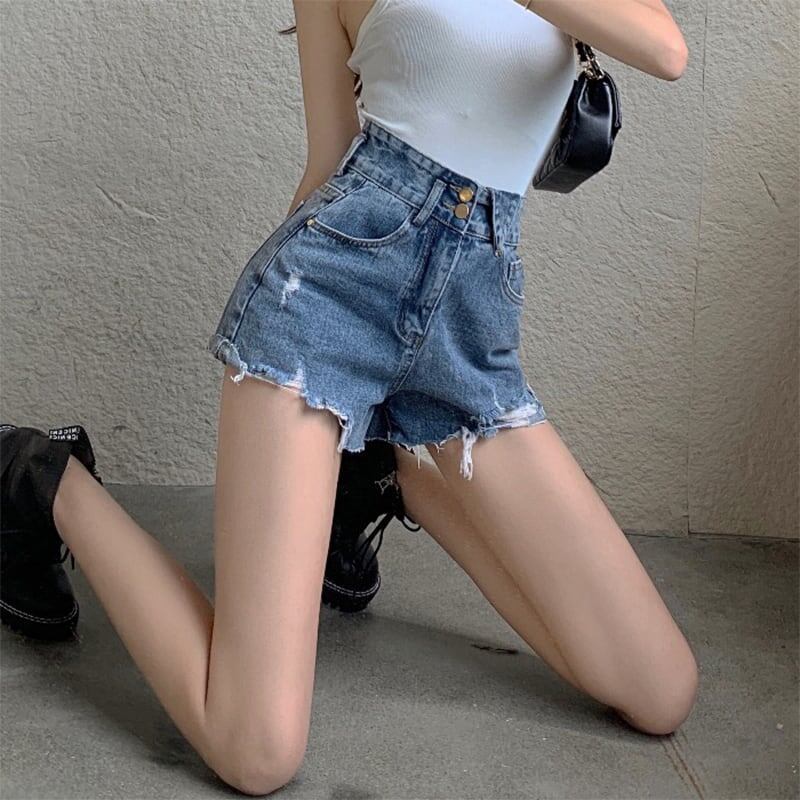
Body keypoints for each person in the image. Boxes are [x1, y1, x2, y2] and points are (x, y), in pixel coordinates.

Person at [1, 0, 697, 795]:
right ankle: (40, 476)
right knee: (256, 752)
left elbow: (665, 49)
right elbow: (330, 157)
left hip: (467, 336)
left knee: (661, 690)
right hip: (325, 304)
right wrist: (284, 334)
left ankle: (381, 468)